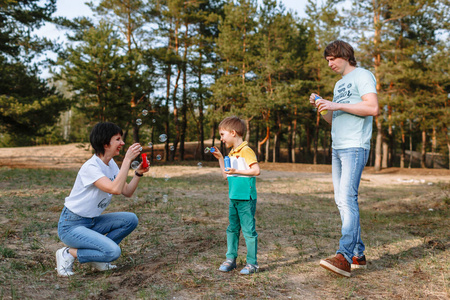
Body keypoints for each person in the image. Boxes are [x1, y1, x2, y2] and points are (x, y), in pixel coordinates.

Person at [309, 40, 379, 277]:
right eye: (327, 60)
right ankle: (358, 253)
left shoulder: (363, 75)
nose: (329, 64)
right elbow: (336, 118)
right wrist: (324, 108)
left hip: (355, 147)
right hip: (337, 148)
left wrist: (335, 103)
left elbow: (372, 108)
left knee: (348, 199)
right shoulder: (339, 84)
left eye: (332, 59)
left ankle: (344, 257)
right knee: (341, 200)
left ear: (345, 55)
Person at [55, 122, 150, 276]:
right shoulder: (91, 167)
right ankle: (67, 253)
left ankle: (98, 258)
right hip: (71, 226)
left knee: (130, 219)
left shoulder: (111, 164)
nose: (122, 143)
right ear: (106, 143)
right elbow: (114, 189)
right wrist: (126, 161)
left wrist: (138, 173)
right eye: (118, 139)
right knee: (113, 252)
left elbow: (127, 191)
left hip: (91, 222)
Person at [212, 116, 261, 275]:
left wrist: (236, 171)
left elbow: (256, 170)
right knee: (232, 229)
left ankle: (252, 263)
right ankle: (230, 259)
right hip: (234, 198)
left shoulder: (246, 150)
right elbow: (226, 175)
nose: (221, 138)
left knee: (248, 231)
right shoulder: (231, 153)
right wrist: (220, 159)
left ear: (233, 133)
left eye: (222, 134)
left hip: (246, 199)